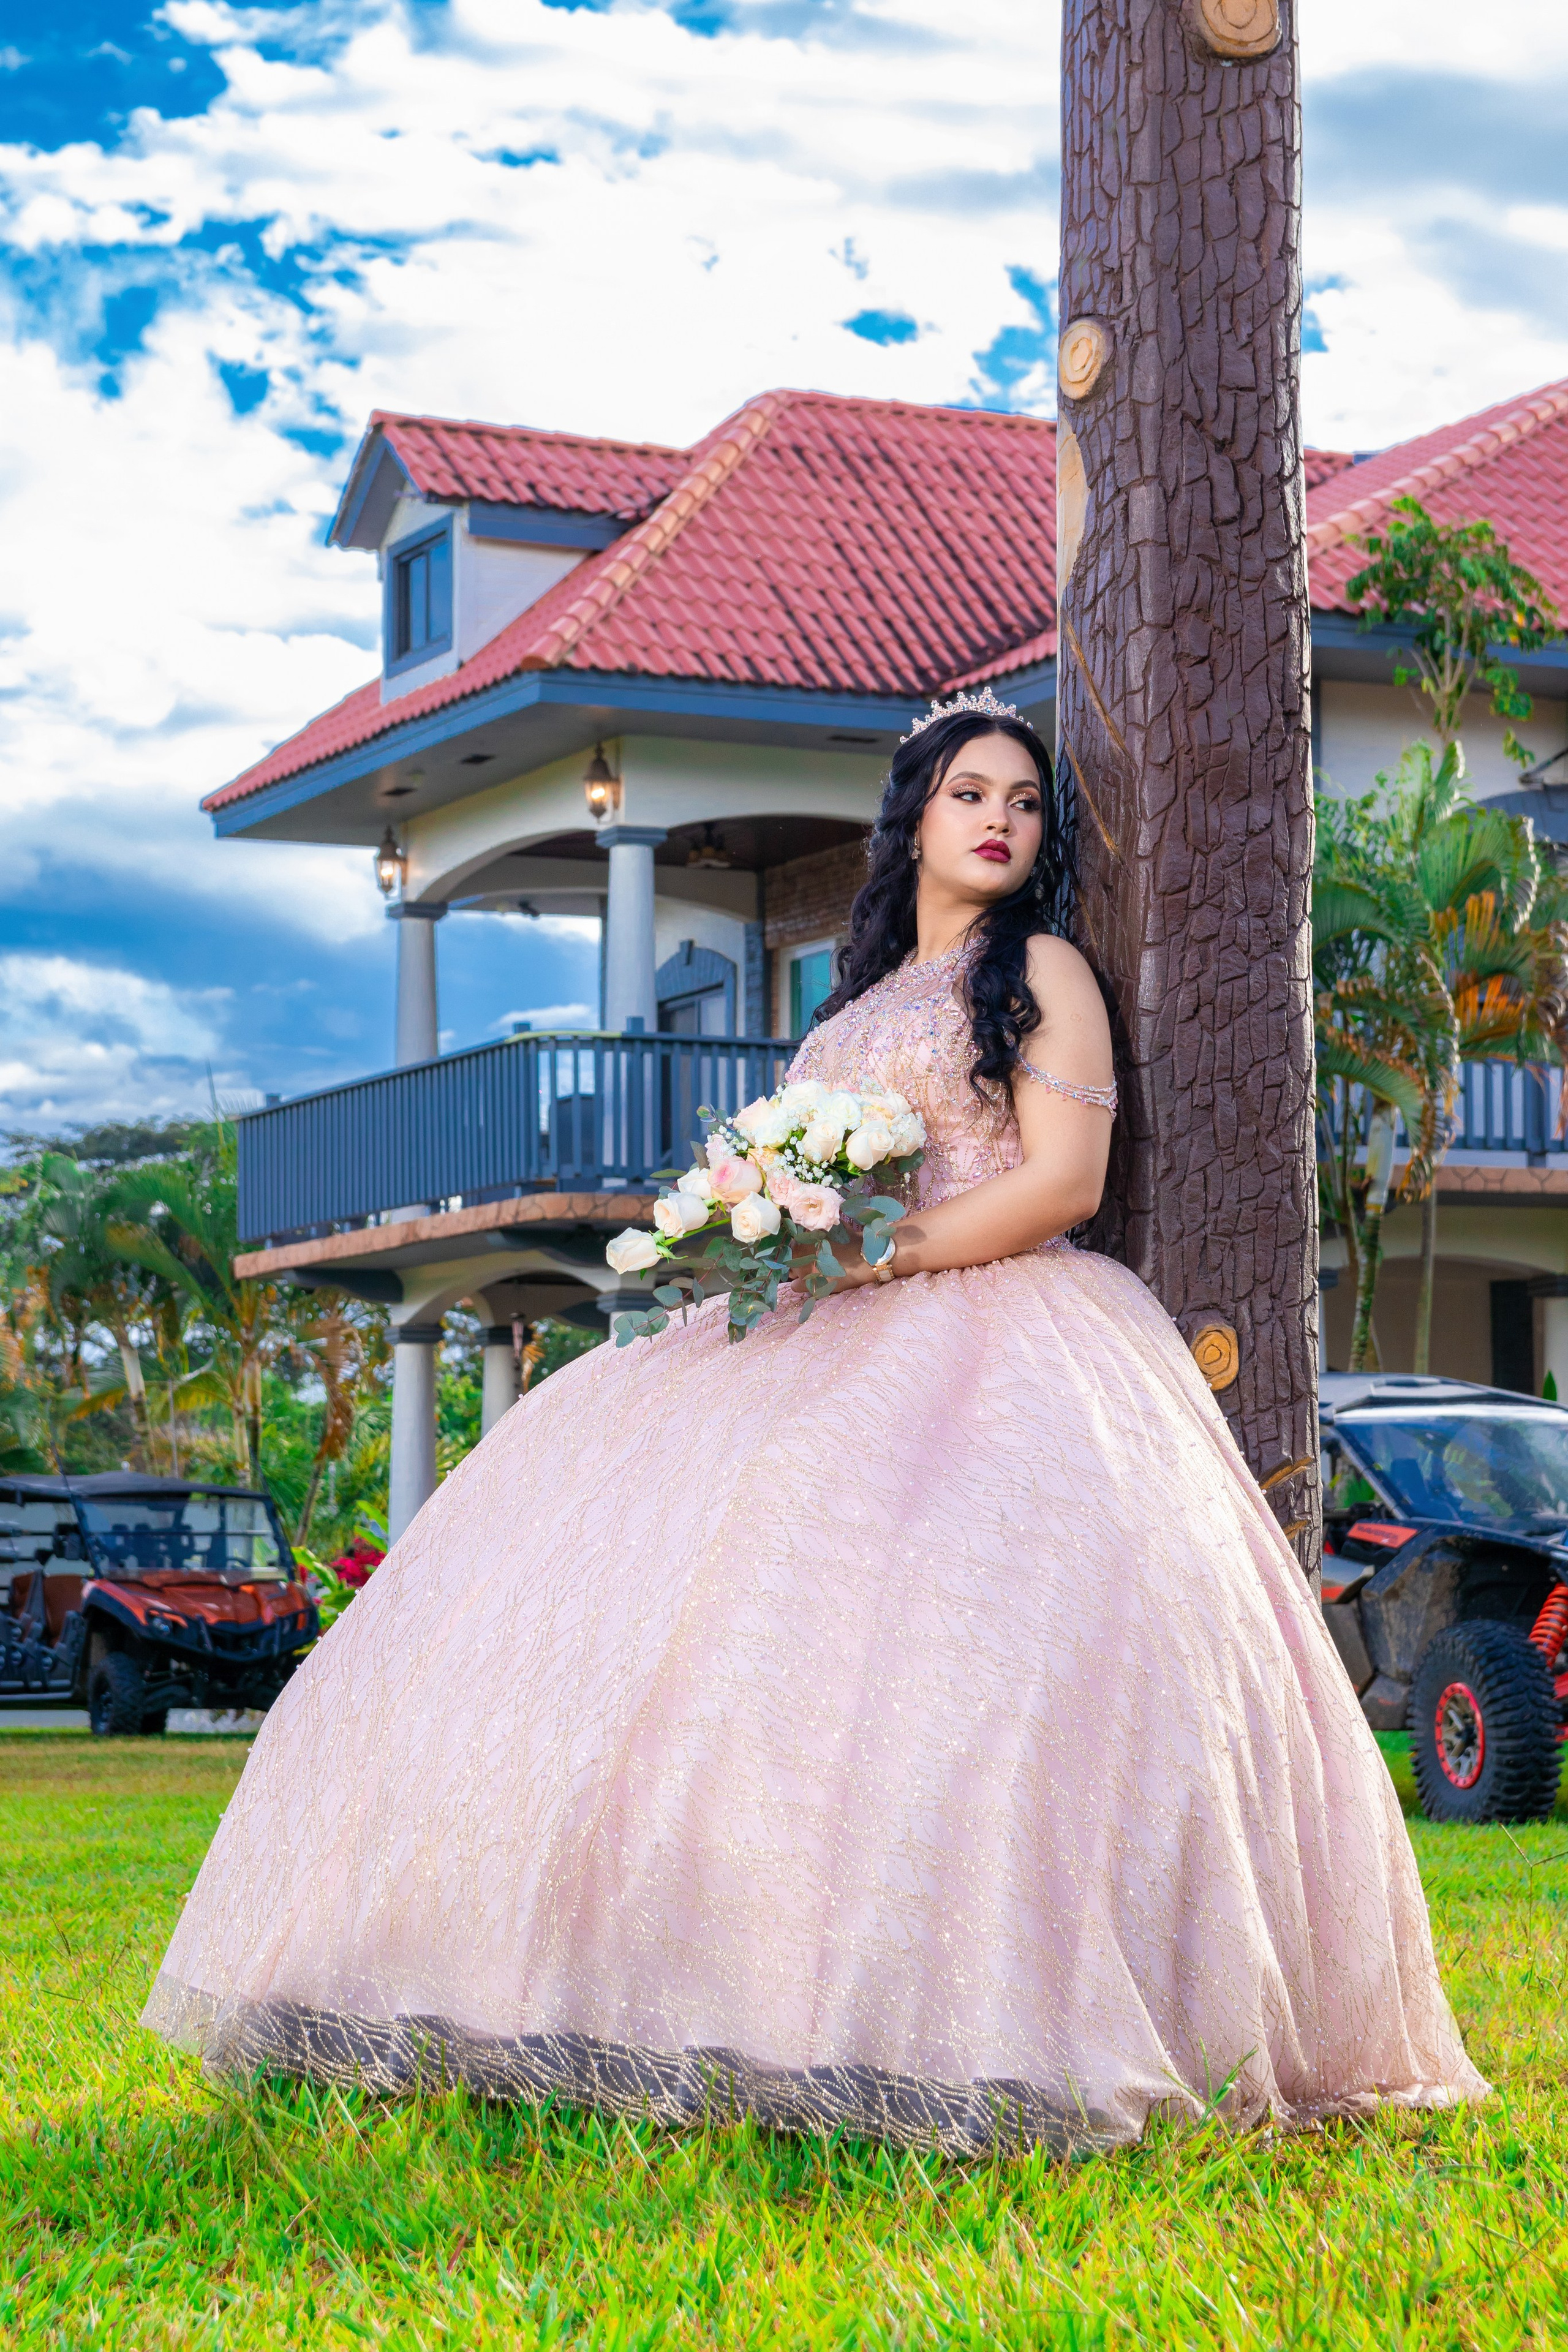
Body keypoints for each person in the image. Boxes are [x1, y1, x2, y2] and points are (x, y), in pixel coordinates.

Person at [143, 690, 1485, 2153]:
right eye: (970, 791)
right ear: (911, 817)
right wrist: (763, 1244)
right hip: (800, 1333)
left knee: (958, 1681)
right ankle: (639, 1982)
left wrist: (873, 1256)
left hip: (1000, 1339)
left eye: (1024, 803)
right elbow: (798, 1180)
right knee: (695, 1662)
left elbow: (1061, 1186)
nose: (997, 819)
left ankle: (976, 2016)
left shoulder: (1038, 971)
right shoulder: (839, 1018)